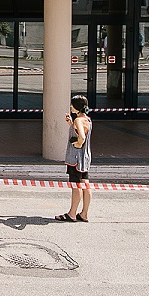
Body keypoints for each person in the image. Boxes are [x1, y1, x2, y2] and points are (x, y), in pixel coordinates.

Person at [57, 94, 93, 222]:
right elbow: (80, 131)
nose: (71, 107)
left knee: (76, 185)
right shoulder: (87, 119)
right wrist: (70, 124)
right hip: (85, 158)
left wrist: (78, 144)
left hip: (75, 158)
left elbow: (81, 137)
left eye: (72, 105)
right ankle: (84, 213)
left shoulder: (78, 120)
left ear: (77, 107)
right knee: (85, 184)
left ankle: (72, 213)